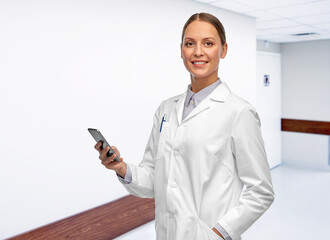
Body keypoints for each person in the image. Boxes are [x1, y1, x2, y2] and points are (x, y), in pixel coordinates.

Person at [95, 12, 274, 240]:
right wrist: (121, 168)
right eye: (190, 43)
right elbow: (154, 179)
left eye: (208, 43)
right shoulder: (166, 109)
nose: (198, 52)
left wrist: (219, 233)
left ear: (223, 50)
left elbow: (261, 191)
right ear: (181, 50)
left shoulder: (239, 112)